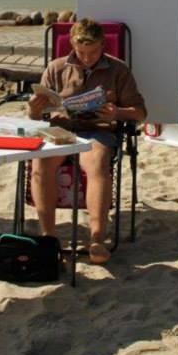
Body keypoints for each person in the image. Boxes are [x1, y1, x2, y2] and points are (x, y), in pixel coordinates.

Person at [27, 18, 146, 264]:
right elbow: (36, 117)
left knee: (98, 163)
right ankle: (48, 237)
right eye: (81, 52)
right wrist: (33, 110)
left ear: (103, 45)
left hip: (97, 130)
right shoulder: (56, 68)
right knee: (40, 164)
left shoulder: (118, 70)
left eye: (93, 52)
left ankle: (97, 238)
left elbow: (140, 112)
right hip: (62, 131)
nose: (87, 58)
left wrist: (118, 113)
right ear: (72, 44)